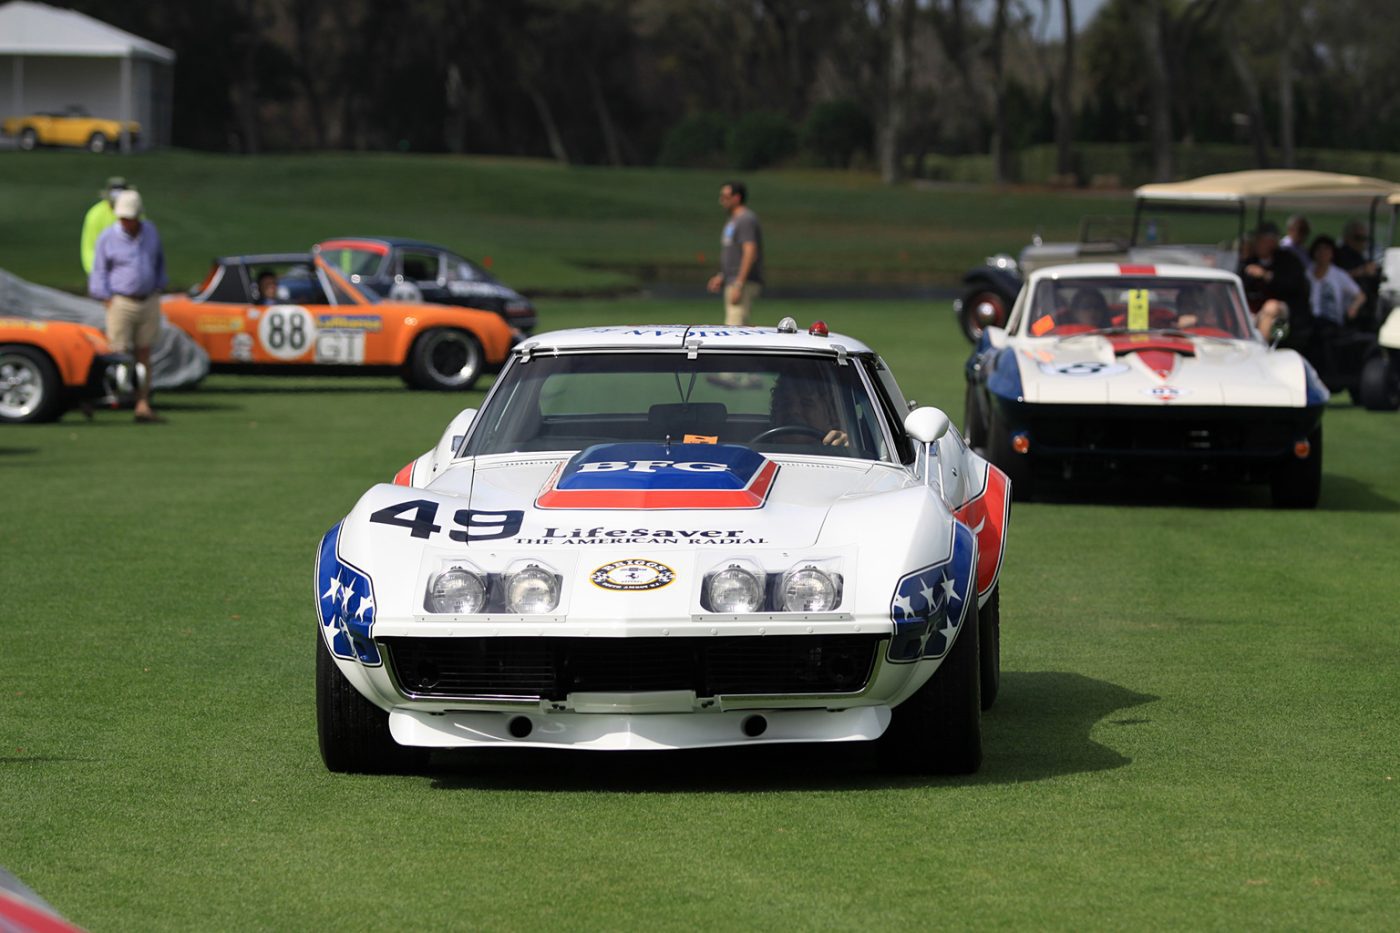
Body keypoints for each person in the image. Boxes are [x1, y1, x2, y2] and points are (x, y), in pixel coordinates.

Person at [88, 190, 167, 423]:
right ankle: (115, 398)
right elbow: (99, 270)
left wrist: (160, 285)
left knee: (144, 352)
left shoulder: (150, 231)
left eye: (130, 217)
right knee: (118, 351)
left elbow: (159, 260)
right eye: (123, 217)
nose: (126, 222)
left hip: (148, 299)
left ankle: (142, 403)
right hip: (121, 300)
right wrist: (106, 297)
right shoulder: (107, 237)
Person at [1238, 221, 1308, 343]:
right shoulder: (1249, 260)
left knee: (1271, 307)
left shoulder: (1287, 260)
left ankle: (1261, 348)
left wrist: (1266, 276)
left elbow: (1294, 286)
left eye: (1262, 241)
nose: (1258, 244)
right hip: (1253, 308)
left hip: (1283, 314)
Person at [706, 181, 764, 325]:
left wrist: (739, 284)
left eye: (725, 196)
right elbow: (733, 254)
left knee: (734, 329)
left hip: (741, 283)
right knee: (736, 325)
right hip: (732, 280)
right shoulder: (733, 220)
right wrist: (722, 276)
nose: (721, 200)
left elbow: (750, 251)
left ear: (737, 198)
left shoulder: (745, 219)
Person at [768, 372, 847, 446]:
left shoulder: (843, 455)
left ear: (830, 416)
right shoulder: (757, 454)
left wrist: (846, 449)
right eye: (786, 403)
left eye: (806, 403)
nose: (794, 411)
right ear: (775, 413)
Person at [1306, 235, 1365, 326]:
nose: (1322, 253)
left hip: (1331, 323)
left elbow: (1360, 296)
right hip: (1308, 321)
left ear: (1332, 253)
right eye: (1319, 249)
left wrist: (1353, 308)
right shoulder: (1306, 273)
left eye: (1326, 249)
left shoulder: (1339, 275)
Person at [80, 176, 129, 275]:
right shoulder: (95, 215)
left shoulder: (135, 213)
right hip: (103, 272)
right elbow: (89, 248)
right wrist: (96, 273)